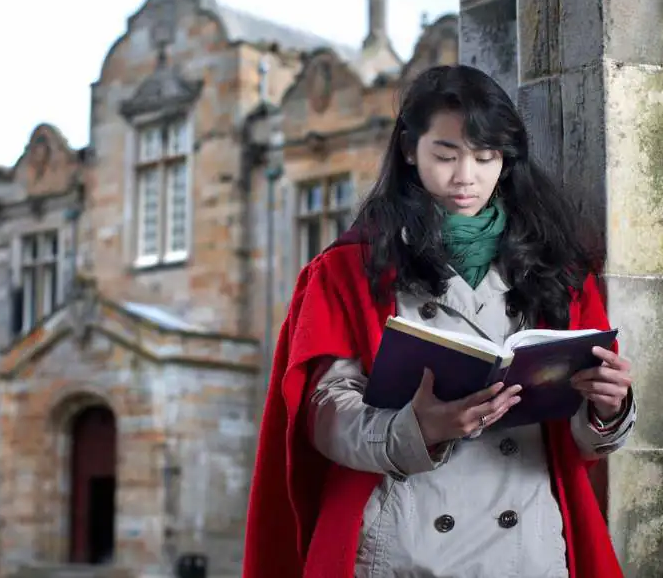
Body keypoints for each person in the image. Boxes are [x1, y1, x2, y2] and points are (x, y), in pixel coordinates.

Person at [242, 65, 636, 578]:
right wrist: (416, 428)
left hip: (529, 549)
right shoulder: (348, 269)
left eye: (485, 156)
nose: (466, 177)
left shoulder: (558, 268)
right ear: (409, 150)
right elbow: (323, 413)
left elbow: (580, 443)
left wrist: (609, 408)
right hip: (403, 547)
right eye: (446, 155)